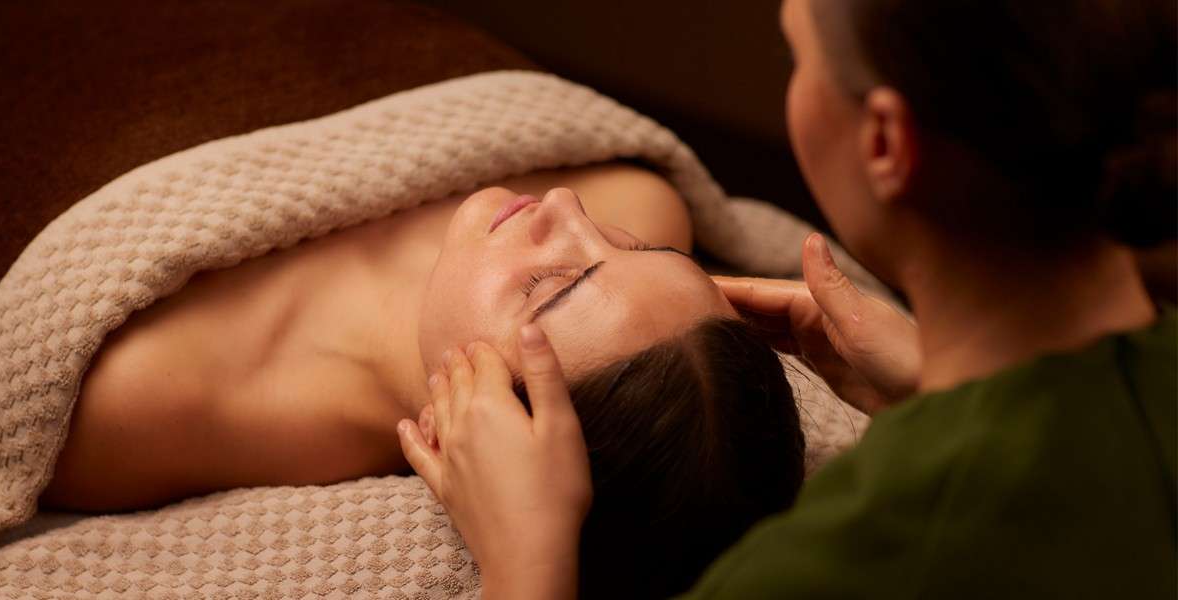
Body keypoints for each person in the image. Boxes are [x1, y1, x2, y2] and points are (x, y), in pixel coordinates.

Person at [397, 0, 1177, 597]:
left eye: (795, 57)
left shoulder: (832, 566)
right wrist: (937, 392)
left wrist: (527, 566)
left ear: (884, 143)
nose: (565, 205)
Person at [40, 161, 808, 596]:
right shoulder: (642, 200)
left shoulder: (136, 404)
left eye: (549, 286)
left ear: (471, 436)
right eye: (640, 250)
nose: (569, 208)